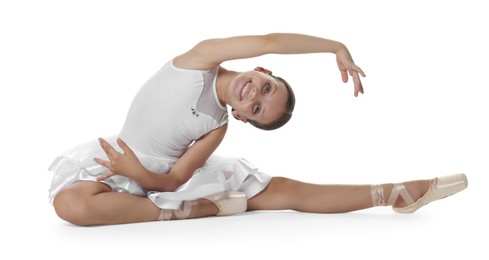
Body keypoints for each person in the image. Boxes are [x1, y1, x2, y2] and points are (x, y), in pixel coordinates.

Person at [48, 33, 467, 226]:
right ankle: (189, 211)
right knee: (71, 205)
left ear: (245, 118)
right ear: (262, 69)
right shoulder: (200, 60)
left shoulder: (216, 126)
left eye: (257, 108)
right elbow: (272, 39)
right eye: (265, 87)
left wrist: (142, 177)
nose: (254, 95)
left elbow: (175, 178)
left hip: (159, 179)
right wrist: (335, 47)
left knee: (287, 192)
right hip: (121, 163)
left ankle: (399, 192)